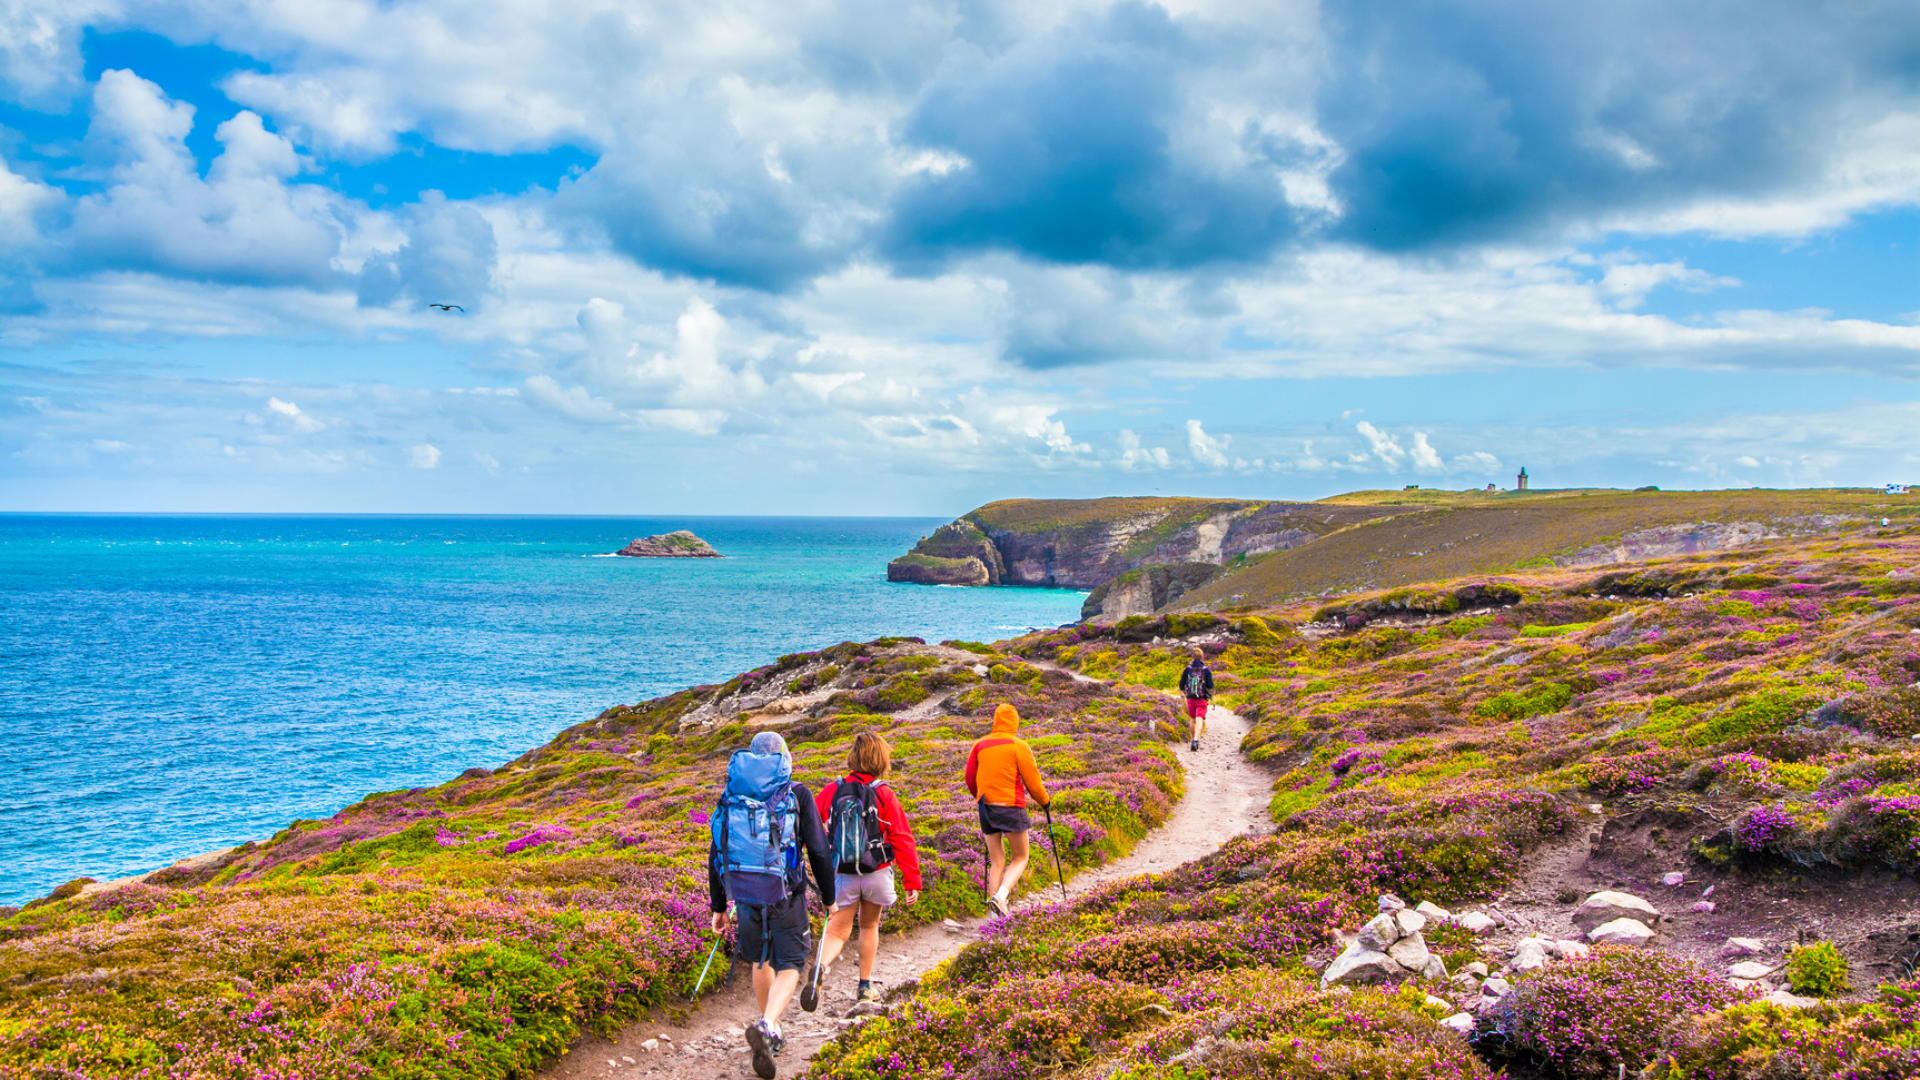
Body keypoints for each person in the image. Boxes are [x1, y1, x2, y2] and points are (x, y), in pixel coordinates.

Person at [707, 731, 836, 1080]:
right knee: (792, 962)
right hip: (787, 894)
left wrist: (718, 906)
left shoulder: (732, 795)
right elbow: (820, 851)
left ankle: (772, 1031)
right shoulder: (797, 793)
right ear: (783, 758)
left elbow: (717, 851)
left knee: (760, 958)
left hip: (744, 895)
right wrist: (829, 896)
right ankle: (767, 1025)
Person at [801, 731, 921, 1011]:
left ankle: (820, 967)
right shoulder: (884, 793)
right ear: (881, 759)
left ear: (853, 757)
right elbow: (902, 837)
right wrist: (911, 880)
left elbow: (810, 827)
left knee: (837, 931)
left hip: (841, 872)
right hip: (877, 872)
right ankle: (865, 988)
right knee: (869, 926)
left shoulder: (833, 790)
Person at [964, 703, 1051, 917]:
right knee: (1021, 857)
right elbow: (1033, 782)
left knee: (997, 861)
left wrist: (979, 796)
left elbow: (969, 777)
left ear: (995, 721)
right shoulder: (1018, 745)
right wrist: (1045, 802)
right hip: (1011, 807)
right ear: (1015, 722)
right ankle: (1001, 896)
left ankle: (994, 917)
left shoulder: (979, 745)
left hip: (986, 807)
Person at [1179, 647, 1214, 752]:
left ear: (1192, 657)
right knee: (1199, 719)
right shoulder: (1206, 670)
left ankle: (1192, 739)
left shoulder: (1187, 669)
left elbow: (1181, 685)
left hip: (1190, 698)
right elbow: (1211, 685)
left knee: (1193, 719)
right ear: (1202, 656)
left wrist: (1184, 693)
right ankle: (1195, 740)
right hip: (1202, 698)